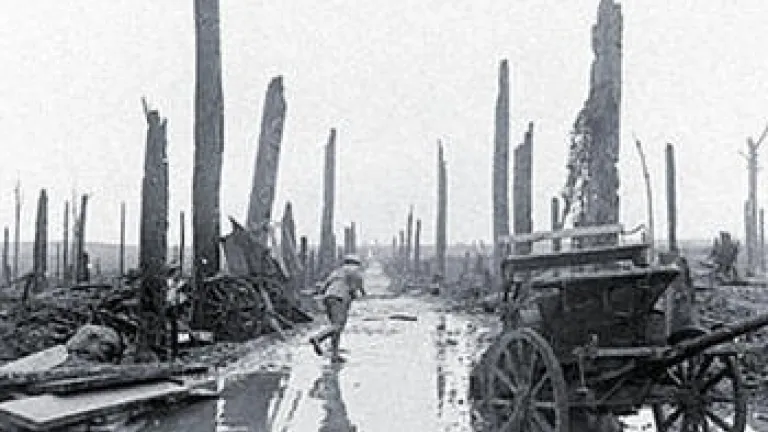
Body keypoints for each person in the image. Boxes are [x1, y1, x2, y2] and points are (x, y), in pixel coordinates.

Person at [309, 254, 366, 362]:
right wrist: (360, 294)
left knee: (335, 328)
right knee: (338, 326)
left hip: (328, 298)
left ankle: (335, 355)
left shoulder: (336, 272)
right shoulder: (355, 273)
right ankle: (318, 338)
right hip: (340, 299)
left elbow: (323, 287)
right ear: (356, 264)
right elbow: (356, 290)